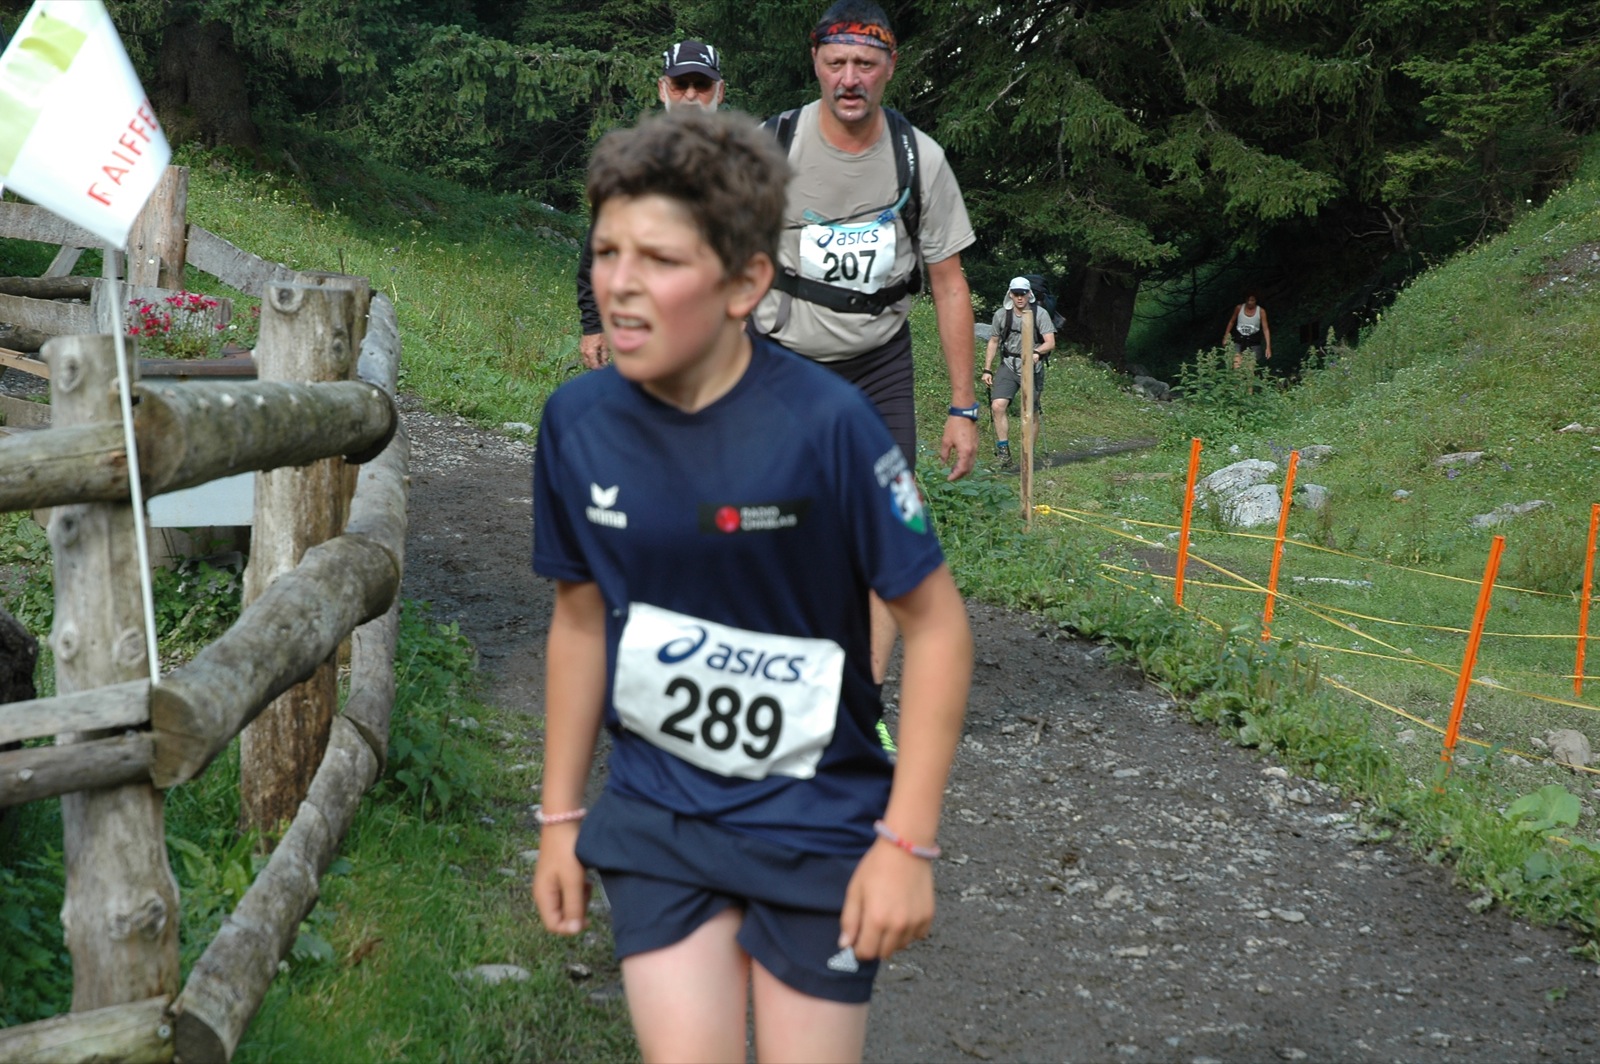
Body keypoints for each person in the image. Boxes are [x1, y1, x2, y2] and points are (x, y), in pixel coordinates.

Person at [531, 108, 973, 1064]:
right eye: (606, 252)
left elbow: (937, 628)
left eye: (659, 259)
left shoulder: (831, 428)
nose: (620, 284)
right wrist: (560, 818)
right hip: (659, 817)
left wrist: (906, 843)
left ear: (745, 284)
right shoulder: (575, 424)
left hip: (817, 823)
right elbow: (579, 619)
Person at [753, 0, 978, 684]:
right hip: (782, 362)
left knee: (890, 528)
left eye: (865, 64)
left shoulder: (920, 158)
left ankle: (861, 694)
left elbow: (950, 285)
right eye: (836, 62)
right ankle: (772, 673)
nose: (849, 79)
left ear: (890, 68)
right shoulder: (773, 146)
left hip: (878, 366)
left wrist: (963, 408)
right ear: (816, 64)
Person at [577, 40, 726, 371]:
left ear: (720, 92)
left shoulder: (745, 164)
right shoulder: (631, 164)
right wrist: (593, 325)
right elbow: (599, 249)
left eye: (702, 85)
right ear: (662, 90)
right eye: (679, 85)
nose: (690, 96)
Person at [981, 277, 1055, 469]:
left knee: (1030, 411)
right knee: (997, 406)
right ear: (1010, 294)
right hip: (1009, 364)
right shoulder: (1001, 315)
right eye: (1016, 294)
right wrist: (987, 369)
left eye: (1023, 293)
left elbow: (1050, 342)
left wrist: (1037, 352)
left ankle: (1027, 454)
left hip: (1032, 368)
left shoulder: (1040, 314)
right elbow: (994, 341)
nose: (1019, 297)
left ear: (1029, 294)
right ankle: (1004, 454)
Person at [1222, 291, 1272, 370]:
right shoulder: (1239, 308)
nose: (1249, 302)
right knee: (1236, 365)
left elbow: (1265, 329)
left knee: (1250, 368)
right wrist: (1226, 336)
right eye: (1248, 300)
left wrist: (1268, 346)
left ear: (1256, 301)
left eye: (1252, 300)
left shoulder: (1261, 311)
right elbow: (1231, 322)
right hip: (1239, 339)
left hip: (1253, 341)